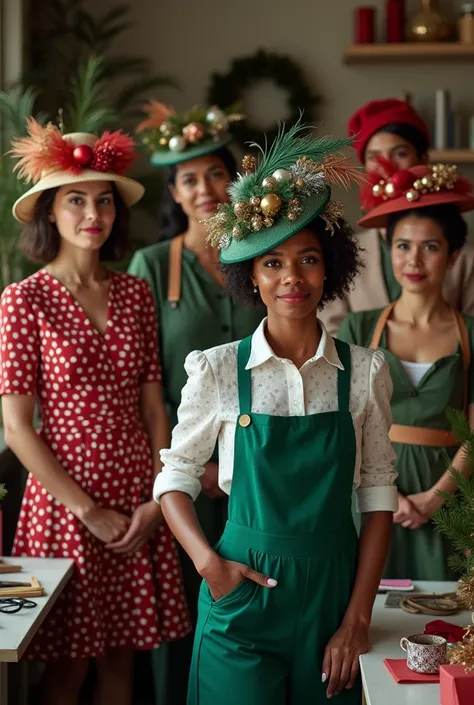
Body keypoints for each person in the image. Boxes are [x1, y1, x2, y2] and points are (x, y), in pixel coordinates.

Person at [154, 121, 398, 704]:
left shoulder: (365, 372)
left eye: (308, 259)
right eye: (273, 263)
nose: (292, 277)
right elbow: (175, 480)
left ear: (330, 269)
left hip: (335, 596)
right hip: (241, 594)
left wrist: (357, 616)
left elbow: (378, 493)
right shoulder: (215, 370)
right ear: (251, 277)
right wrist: (210, 565)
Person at [0, 122, 190, 705]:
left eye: (104, 199)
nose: (93, 213)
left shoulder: (135, 292)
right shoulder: (23, 299)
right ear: (49, 214)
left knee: (119, 666)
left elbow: (155, 405)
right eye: (76, 199)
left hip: (138, 498)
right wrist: (88, 512)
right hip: (67, 505)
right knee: (65, 673)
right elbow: (16, 427)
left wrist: (158, 497)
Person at [129, 103, 263, 703]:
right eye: (189, 179)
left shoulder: (262, 256)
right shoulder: (152, 268)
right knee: (184, 608)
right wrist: (192, 468)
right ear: (174, 194)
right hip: (183, 475)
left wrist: (236, 465)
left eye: (215, 174)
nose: (205, 189)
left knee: (254, 608)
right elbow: (144, 386)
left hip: (259, 466)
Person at [339, 161, 474, 580]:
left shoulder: (470, 332)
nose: (414, 259)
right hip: (371, 490)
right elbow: (344, 419)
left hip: (451, 492)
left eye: (430, 247)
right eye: (402, 245)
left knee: (449, 619)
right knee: (369, 608)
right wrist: (385, 495)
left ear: (453, 254)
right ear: (388, 248)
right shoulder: (359, 327)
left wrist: (436, 498)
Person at [319, 98, 474, 335]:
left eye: (399, 153)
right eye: (374, 157)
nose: (386, 166)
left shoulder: (464, 257)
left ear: (423, 159)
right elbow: (330, 331)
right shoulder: (345, 251)